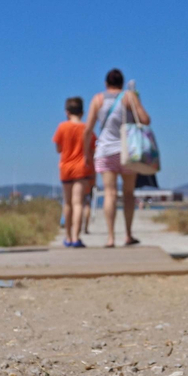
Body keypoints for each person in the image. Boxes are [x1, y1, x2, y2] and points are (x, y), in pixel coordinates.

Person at [84, 68, 151, 247]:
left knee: (109, 193)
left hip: (105, 151)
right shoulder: (129, 97)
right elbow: (145, 119)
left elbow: (88, 129)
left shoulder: (97, 99)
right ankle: (128, 234)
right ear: (122, 83)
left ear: (106, 83)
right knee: (128, 194)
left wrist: (86, 153)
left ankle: (110, 237)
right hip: (127, 151)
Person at [53, 96, 92, 247]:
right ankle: (76, 237)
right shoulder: (86, 128)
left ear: (67, 112)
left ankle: (68, 237)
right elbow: (93, 148)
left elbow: (58, 148)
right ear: (82, 112)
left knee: (67, 203)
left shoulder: (62, 127)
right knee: (78, 203)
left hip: (66, 168)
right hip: (81, 168)